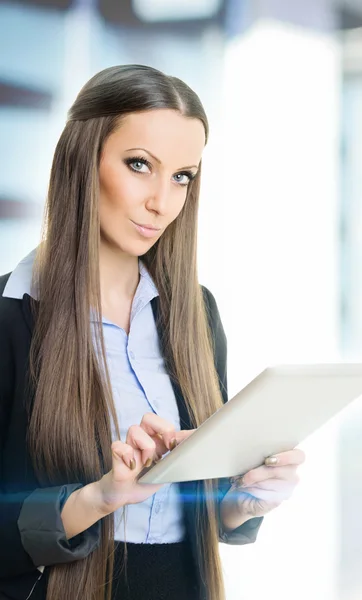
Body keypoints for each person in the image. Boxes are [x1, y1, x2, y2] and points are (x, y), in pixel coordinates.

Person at [0, 64, 305, 600]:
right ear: (82, 159)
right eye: (140, 165)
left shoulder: (195, 314)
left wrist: (242, 502)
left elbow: (199, 510)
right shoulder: (7, 319)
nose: (162, 202)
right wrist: (96, 498)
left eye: (182, 176)